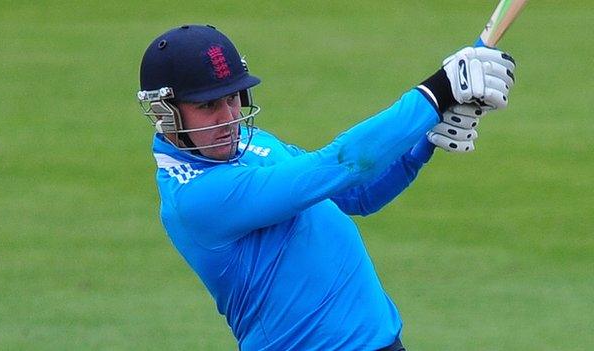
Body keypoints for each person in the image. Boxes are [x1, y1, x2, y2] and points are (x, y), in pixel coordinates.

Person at [136, 24, 515, 350]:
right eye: (208, 106)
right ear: (164, 114)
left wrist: (424, 140)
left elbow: (356, 193)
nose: (228, 117)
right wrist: (439, 91)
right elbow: (339, 164)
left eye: (232, 98)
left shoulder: (251, 145)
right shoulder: (196, 198)